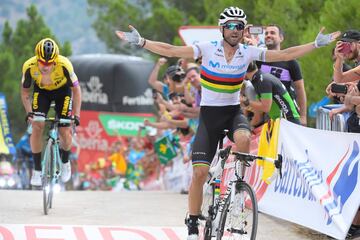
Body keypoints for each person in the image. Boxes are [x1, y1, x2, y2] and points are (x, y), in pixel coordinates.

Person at [115, 6, 339, 239]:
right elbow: (170, 49)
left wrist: (316, 44)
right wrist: (142, 42)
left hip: (232, 112)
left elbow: (284, 55)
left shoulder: (248, 52)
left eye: (239, 26)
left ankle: (238, 190)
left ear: (244, 31)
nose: (235, 30)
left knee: (243, 137)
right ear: (222, 28)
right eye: (230, 25)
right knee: (199, 174)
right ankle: (193, 222)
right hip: (209, 117)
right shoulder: (207, 49)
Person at [20, 38, 82, 186]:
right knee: (37, 126)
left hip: (63, 93)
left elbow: (77, 90)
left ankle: (65, 161)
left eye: (49, 63)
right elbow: (25, 92)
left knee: (64, 130)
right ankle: (37, 169)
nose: (45, 66)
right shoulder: (29, 66)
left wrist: (77, 114)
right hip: (42, 93)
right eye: (42, 62)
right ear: (37, 58)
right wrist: (29, 112)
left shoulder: (65, 64)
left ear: (55, 60)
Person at [257, 24, 308, 125]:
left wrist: (303, 116)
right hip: (266, 113)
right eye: (266, 33)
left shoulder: (291, 61)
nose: (268, 35)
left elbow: (300, 89)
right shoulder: (258, 60)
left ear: (281, 38)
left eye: (272, 33)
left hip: (286, 112)